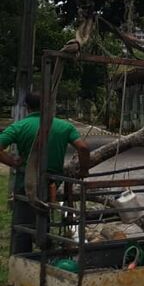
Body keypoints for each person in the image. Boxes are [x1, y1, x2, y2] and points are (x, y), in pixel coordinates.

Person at [0, 92, 90, 252]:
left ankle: (23, 261)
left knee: (23, 226)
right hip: (52, 185)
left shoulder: (19, 126)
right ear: (48, 106)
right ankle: (45, 256)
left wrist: (12, 162)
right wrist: (83, 170)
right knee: (44, 218)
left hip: (27, 184)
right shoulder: (64, 126)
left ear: (27, 107)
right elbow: (83, 148)